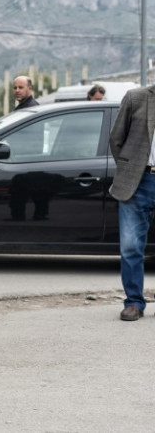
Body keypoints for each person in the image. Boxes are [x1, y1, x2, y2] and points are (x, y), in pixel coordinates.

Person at [109, 84, 155, 321]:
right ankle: (134, 302)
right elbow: (116, 139)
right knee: (130, 245)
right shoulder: (136, 98)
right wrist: (131, 169)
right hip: (139, 181)